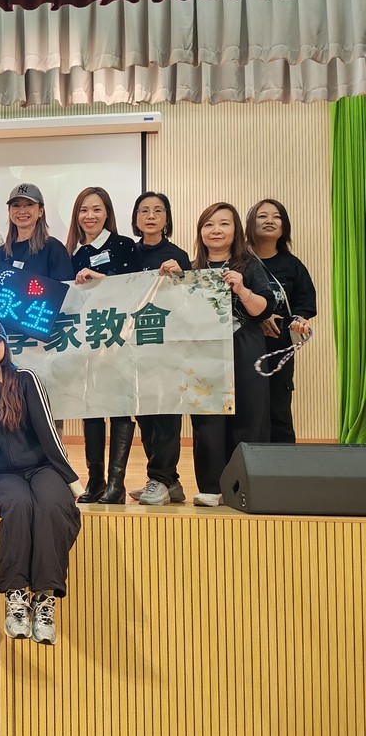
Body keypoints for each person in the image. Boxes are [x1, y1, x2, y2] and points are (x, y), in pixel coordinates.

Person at [0, 318, 82, 644]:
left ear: (5, 345)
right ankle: (15, 597)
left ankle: (44, 599)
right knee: (18, 503)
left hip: (40, 468)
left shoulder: (25, 379)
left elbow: (49, 432)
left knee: (54, 505)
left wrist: (71, 481)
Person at [168, 202, 274, 507]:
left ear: (235, 230)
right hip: (203, 354)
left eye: (224, 224)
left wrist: (242, 290)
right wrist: (171, 280)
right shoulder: (190, 269)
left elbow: (263, 308)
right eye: (209, 225)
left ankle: (245, 488)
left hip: (244, 348)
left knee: (249, 416)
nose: (216, 230)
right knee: (207, 423)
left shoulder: (249, 265)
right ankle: (211, 487)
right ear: (200, 232)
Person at [68, 187, 139, 504]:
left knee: (120, 409)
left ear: (107, 212)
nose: (90, 216)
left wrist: (102, 279)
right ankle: (95, 481)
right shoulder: (74, 254)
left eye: (96, 209)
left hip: (119, 340)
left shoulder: (124, 246)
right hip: (86, 343)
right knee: (91, 410)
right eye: (83, 210)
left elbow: (138, 288)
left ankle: (116, 485)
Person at [128, 192, 192, 506]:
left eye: (158, 211)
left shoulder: (178, 255)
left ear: (167, 218)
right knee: (145, 416)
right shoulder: (128, 252)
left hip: (167, 347)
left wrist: (180, 275)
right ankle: (169, 481)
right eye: (144, 211)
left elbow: (189, 300)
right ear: (135, 218)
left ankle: (161, 477)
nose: (151, 216)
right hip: (133, 347)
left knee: (166, 412)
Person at [247, 199, 316, 443]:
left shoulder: (292, 265)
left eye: (276, 216)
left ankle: (283, 462)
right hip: (244, 346)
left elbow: (305, 303)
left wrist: (299, 320)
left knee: (279, 409)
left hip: (280, 346)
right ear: (250, 224)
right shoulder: (240, 262)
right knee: (247, 410)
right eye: (262, 216)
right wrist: (261, 316)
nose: (269, 221)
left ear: (284, 225)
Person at [0, 183, 74, 281]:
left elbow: (65, 288)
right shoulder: (0, 254)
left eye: (29, 204)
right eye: (16, 205)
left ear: (40, 211)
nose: (22, 211)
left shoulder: (53, 249)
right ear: (9, 210)